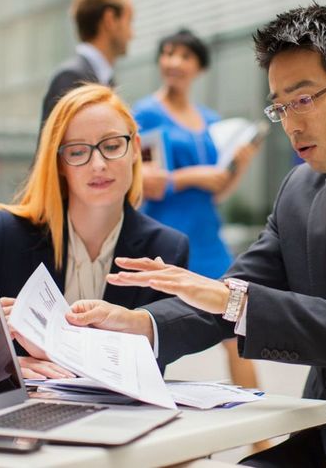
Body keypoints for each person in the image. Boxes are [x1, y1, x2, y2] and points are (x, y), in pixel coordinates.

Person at [64, 4, 326, 466]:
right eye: (280, 107)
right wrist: (142, 324)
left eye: (305, 99)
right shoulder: (301, 189)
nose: (291, 124)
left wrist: (232, 299)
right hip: (320, 437)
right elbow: (232, 293)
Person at [0, 83, 189, 380]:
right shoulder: (7, 235)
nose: (98, 165)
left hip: (119, 420)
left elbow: (149, 364)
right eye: (77, 152)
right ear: (60, 163)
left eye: (112, 146)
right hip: (27, 417)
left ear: (136, 149)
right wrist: (1, 364)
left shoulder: (166, 248)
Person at [132, 28, 262, 400]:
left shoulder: (209, 121)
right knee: (151, 337)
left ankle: (262, 441)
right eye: (168, 53)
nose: (174, 62)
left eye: (185, 55)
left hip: (207, 239)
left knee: (238, 333)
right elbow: (143, 180)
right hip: (164, 238)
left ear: (199, 67)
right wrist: (196, 175)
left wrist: (237, 167)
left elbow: (218, 190)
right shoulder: (145, 114)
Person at [40, 0, 134, 133]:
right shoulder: (70, 78)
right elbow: (51, 152)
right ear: (110, 20)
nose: (132, 34)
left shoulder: (102, 78)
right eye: (129, 21)